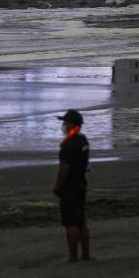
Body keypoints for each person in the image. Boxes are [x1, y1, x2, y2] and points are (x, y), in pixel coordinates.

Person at [53, 109, 92, 262]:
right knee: (81, 220)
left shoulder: (69, 144)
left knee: (71, 223)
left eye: (65, 122)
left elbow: (64, 168)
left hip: (70, 186)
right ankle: (86, 254)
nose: (63, 125)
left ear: (71, 124)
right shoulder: (83, 140)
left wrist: (57, 186)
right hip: (81, 183)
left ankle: (73, 256)